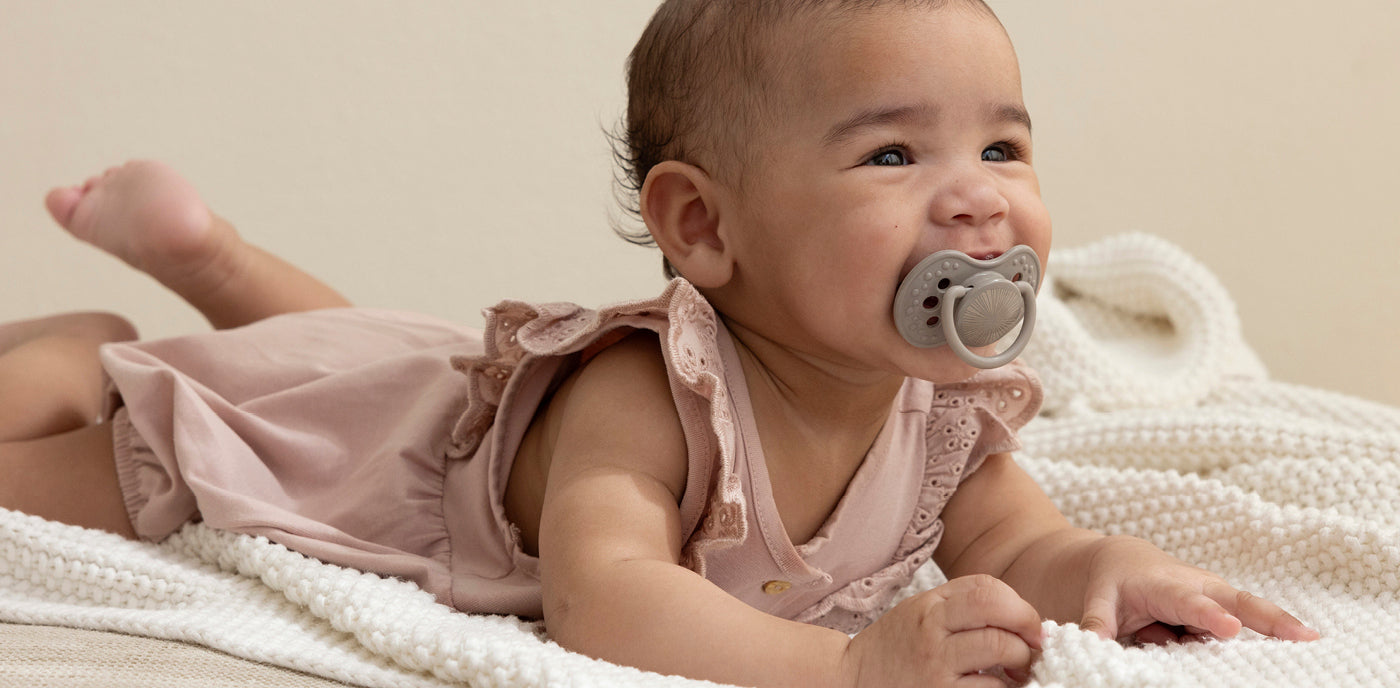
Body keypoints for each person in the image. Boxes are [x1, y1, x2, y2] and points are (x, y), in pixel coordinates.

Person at [0, 1, 1318, 686]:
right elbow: (602, 596)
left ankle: (206, 256)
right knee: (122, 454)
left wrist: (1113, 570)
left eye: (1003, 145)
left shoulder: (942, 413)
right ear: (703, 225)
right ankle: (77, 353)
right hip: (363, 453)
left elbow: (1027, 545)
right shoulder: (647, 392)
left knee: (375, 349)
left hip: (425, 390)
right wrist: (843, 667)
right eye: (896, 152)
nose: (977, 193)